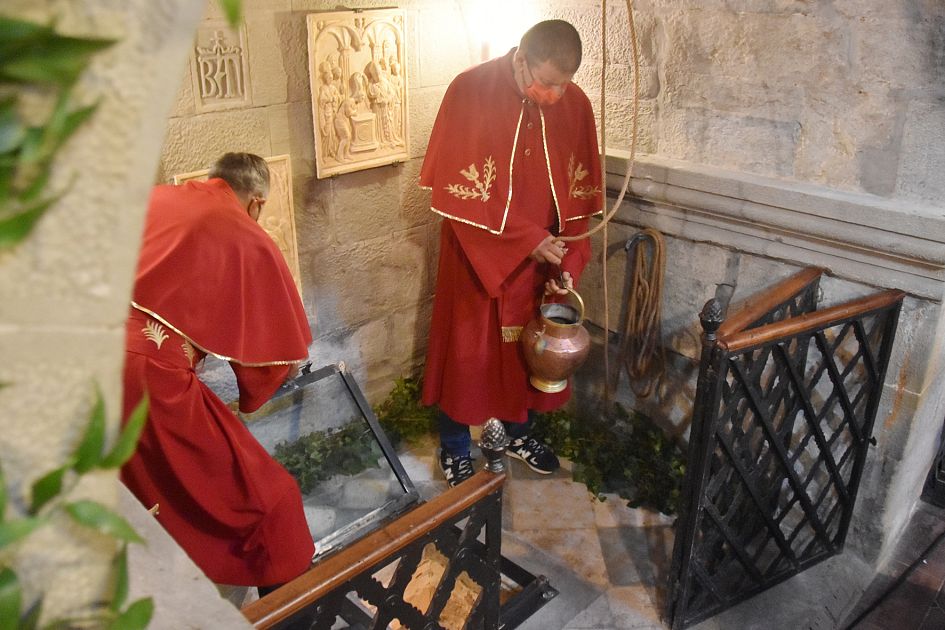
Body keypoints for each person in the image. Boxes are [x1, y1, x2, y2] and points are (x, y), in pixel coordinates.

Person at [419, 20, 602, 486]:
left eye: (564, 84)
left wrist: (568, 264)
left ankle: (519, 433)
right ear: (521, 59)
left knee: (531, 352)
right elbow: (455, 193)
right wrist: (525, 239)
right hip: (477, 254)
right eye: (546, 83)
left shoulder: (574, 103)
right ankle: (456, 445)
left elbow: (580, 195)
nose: (555, 95)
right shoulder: (470, 90)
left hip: (541, 263)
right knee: (469, 354)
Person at [121, 153, 314, 592]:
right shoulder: (243, 231)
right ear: (256, 204)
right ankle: (282, 610)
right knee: (266, 502)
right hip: (145, 375)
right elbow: (269, 362)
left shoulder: (156, 199)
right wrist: (258, 388)